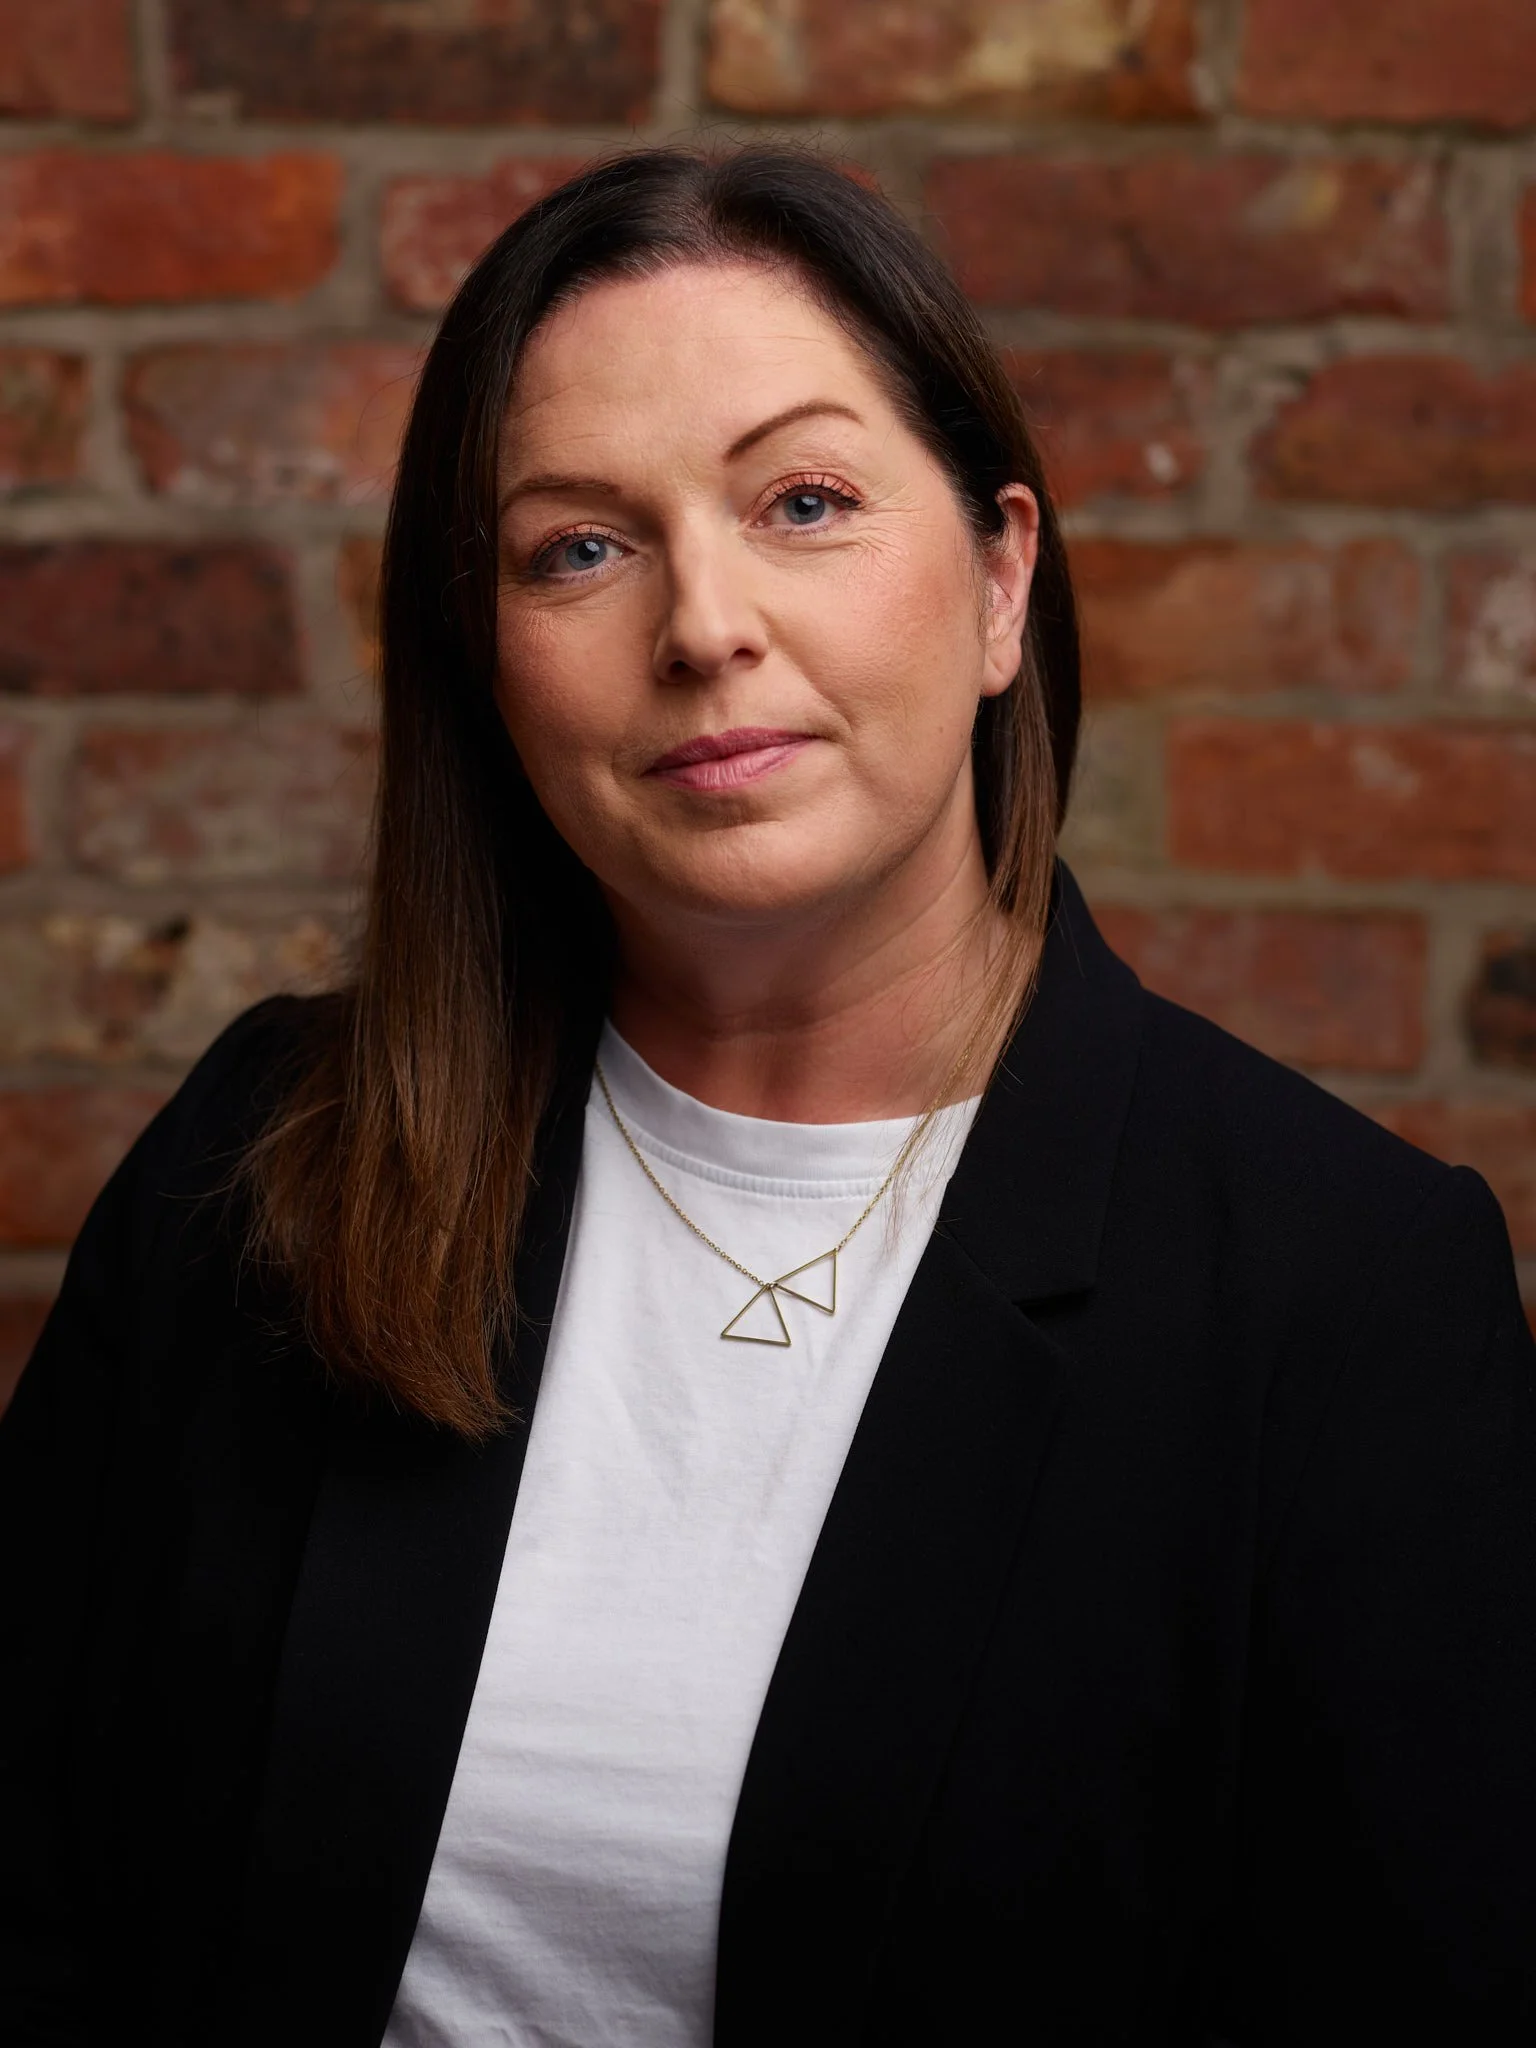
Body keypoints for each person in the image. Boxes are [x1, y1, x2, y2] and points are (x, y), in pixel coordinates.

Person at [1, 146, 1531, 2048]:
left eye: (804, 500)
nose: (704, 623)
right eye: (580, 544)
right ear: (488, 668)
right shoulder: (269, 1160)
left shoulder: (1343, 1292)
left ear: (997, 582)